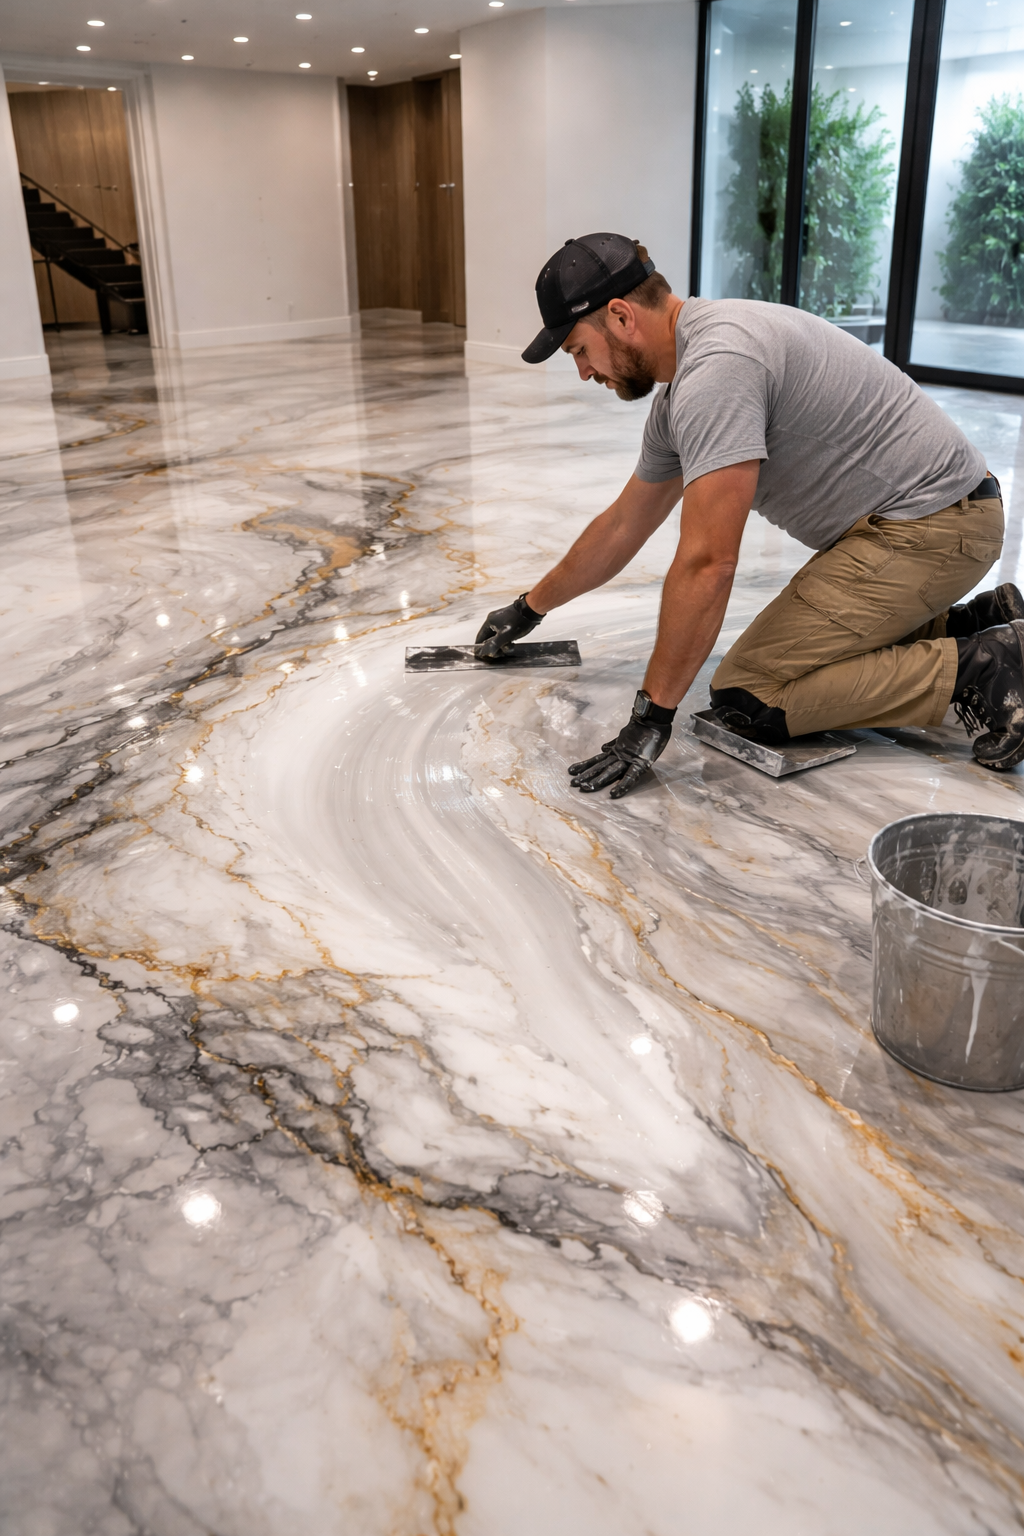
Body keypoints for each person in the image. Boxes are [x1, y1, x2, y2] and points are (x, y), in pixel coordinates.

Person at [474, 232, 1024, 798]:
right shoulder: (689, 379)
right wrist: (528, 609)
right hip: (928, 520)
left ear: (619, 316)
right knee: (774, 670)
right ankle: (968, 620)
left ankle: (985, 665)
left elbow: (710, 562)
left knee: (752, 693)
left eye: (579, 351)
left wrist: (650, 720)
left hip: (933, 527)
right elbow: (623, 526)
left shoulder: (718, 371)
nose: (585, 372)